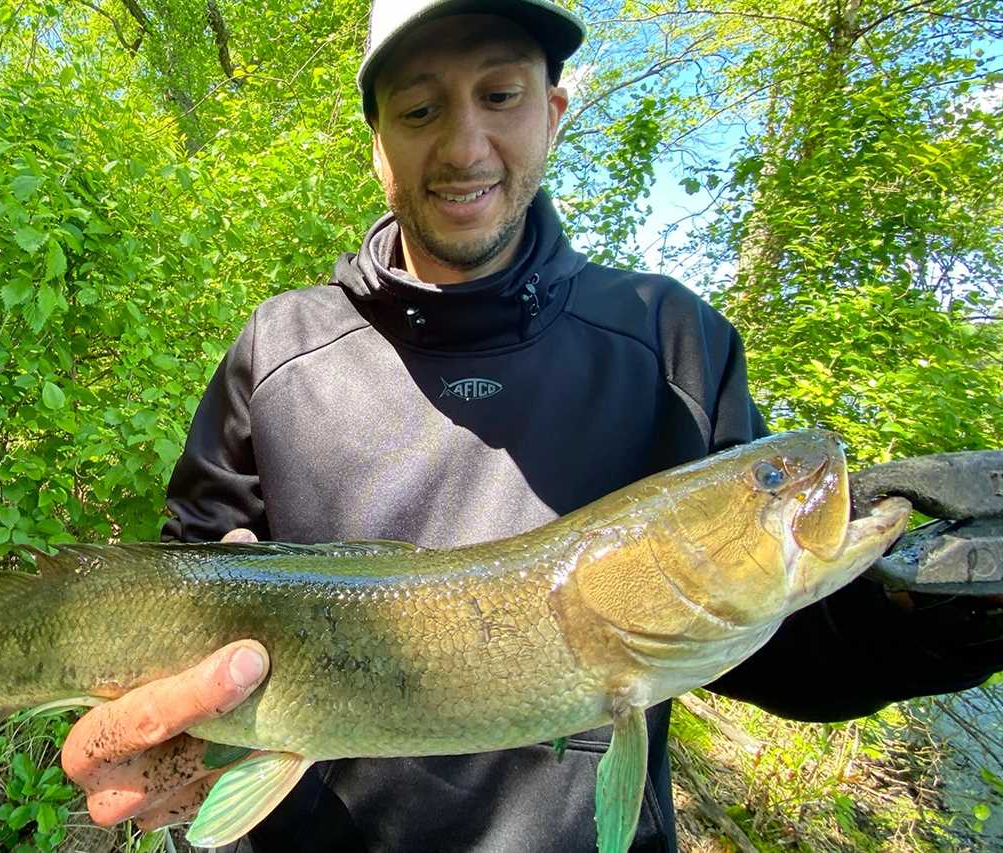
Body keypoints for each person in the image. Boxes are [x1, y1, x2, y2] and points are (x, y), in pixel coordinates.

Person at [60, 2, 1003, 850]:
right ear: (379, 145)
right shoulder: (278, 347)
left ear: (553, 111)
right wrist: (169, 741)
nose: (465, 144)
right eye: (421, 109)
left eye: (500, 94)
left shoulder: (674, 343)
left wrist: (938, 616)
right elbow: (183, 581)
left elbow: (779, 645)